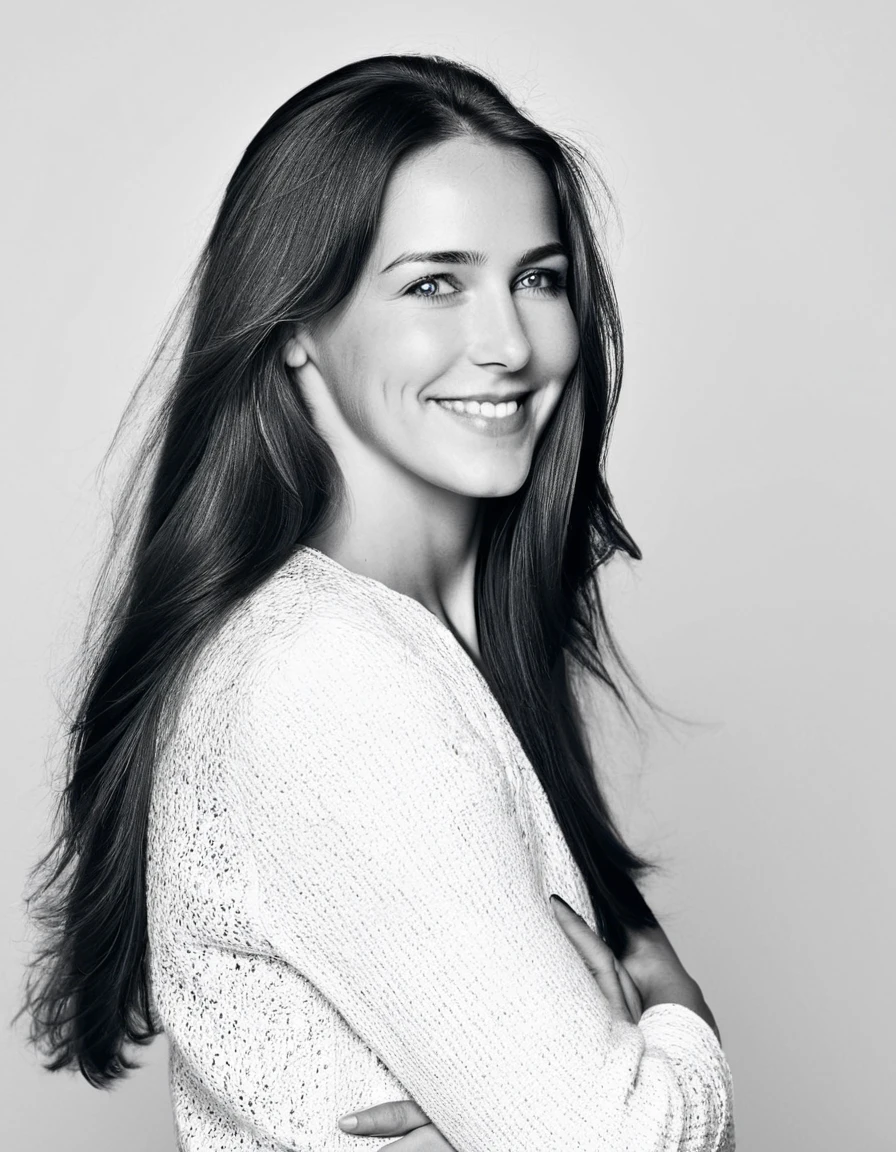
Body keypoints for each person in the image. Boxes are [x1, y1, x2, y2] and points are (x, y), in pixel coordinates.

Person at [21, 54, 735, 1150]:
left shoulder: (415, 646)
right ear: (297, 321)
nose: (505, 345)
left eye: (536, 278)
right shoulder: (326, 678)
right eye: (433, 282)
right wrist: (671, 1005)